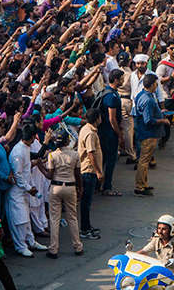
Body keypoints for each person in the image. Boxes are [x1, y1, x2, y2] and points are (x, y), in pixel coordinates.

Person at [7, 125, 48, 257]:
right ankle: (21, 246)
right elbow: (18, 175)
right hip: (17, 192)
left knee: (27, 219)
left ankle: (31, 241)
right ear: (31, 137)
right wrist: (29, 188)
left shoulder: (26, 148)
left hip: (24, 190)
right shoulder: (18, 152)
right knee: (20, 220)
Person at [44, 129, 83, 257]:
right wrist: (80, 188)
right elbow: (78, 174)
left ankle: (53, 248)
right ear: (67, 141)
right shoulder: (75, 154)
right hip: (70, 187)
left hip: (56, 187)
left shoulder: (52, 155)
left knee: (54, 218)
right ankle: (77, 246)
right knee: (72, 217)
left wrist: (39, 166)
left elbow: (49, 175)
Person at [133, 73, 170, 196]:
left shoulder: (142, 95)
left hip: (144, 132)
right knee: (144, 161)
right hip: (148, 134)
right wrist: (163, 120)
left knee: (145, 160)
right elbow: (148, 120)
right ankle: (139, 186)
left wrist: (159, 112)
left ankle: (143, 183)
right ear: (153, 84)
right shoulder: (148, 100)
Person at [136, 214, 174, 285]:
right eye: (159, 228)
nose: (160, 231)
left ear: (172, 230)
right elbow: (143, 251)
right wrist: (129, 257)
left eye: (164, 229)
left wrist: (172, 276)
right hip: (160, 275)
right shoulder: (156, 239)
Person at [77, 109, 104, 239]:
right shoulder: (90, 134)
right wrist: (98, 171)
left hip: (88, 170)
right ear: (97, 118)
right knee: (86, 202)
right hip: (88, 171)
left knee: (87, 202)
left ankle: (87, 226)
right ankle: (84, 229)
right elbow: (90, 153)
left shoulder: (87, 129)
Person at [97, 69, 124, 196]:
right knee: (110, 160)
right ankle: (106, 186)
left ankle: (98, 185)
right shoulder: (111, 97)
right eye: (122, 78)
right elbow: (112, 118)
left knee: (103, 159)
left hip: (104, 132)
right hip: (109, 133)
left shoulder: (107, 91)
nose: (123, 81)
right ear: (116, 80)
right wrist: (119, 134)